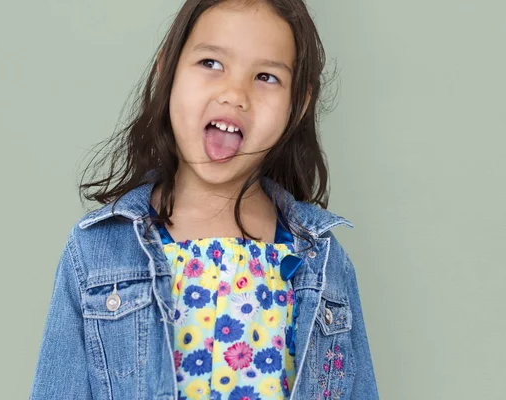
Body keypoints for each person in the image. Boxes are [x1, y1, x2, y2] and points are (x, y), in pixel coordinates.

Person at [29, 0, 379, 399]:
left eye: (265, 76)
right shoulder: (96, 253)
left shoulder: (325, 262)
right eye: (211, 63)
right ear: (167, 71)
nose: (235, 94)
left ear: (297, 106)